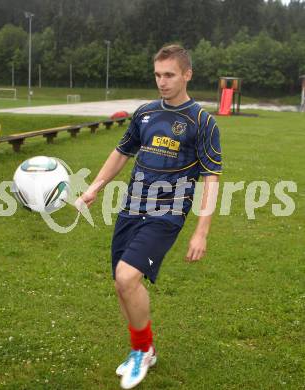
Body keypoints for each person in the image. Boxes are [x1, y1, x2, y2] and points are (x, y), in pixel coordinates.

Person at [76, 44, 222, 389]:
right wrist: (94, 187)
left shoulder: (202, 122)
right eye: (158, 74)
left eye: (169, 74)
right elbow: (121, 152)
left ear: (187, 74)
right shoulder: (144, 113)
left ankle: (141, 351)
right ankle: (147, 348)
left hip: (167, 213)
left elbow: (211, 179)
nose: (162, 81)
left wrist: (201, 232)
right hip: (131, 207)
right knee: (121, 284)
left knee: (127, 278)